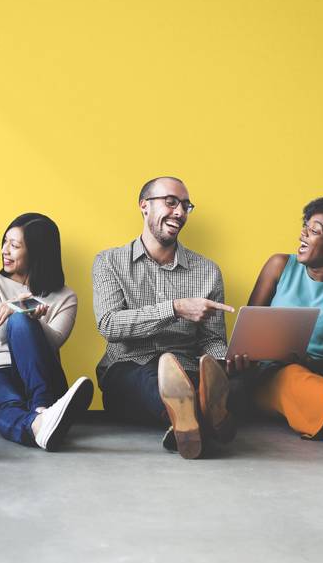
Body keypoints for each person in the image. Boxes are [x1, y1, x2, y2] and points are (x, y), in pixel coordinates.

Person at [93, 176, 236, 459]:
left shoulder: (207, 271)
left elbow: (212, 339)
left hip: (189, 369)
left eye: (185, 206)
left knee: (231, 380)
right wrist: (175, 308)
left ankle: (187, 421)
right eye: (170, 202)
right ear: (144, 206)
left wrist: (223, 363)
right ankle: (204, 416)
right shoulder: (108, 262)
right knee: (151, 378)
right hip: (128, 368)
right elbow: (109, 325)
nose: (180, 213)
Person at [240, 196, 323, 451]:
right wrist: (241, 358)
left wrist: (307, 362)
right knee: (293, 379)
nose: (303, 234)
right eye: (306, 225)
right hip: (266, 373)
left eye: (315, 231)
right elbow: (247, 328)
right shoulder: (279, 266)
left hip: (320, 369)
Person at [0, 213, 93, 451]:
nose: (5, 250)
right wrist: (18, 304)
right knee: (6, 403)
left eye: (14, 246)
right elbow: (0, 333)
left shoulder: (66, 296)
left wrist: (32, 318)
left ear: (37, 252)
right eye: (5, 242)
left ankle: (41, 407)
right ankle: (39, 423)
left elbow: (55, 342)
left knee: (23, 322)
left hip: (42, 376)